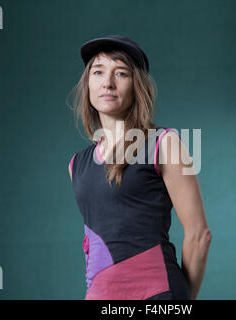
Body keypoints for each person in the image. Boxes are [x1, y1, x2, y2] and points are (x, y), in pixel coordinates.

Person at [67, 35, 211, 300]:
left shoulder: (164, 143)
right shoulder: (77, 165)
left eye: (120, 73)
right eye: (98, 72)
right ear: (88, 84)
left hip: (158, 295)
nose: (107, 83)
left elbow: (199, 235)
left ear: (137, 85)